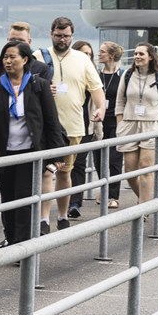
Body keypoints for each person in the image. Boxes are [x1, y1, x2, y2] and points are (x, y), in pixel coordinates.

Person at [0, 41, 65, 245]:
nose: (7, 61)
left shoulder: (38, 85)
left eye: (12, 57)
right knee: (8, 200)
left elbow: (51, 121)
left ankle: (22, 245)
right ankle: (12, 238)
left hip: (29, 153)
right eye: (5, 57)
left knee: (24, 199)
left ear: (24, 60)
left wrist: (57, 154)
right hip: (3, 153)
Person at [34, 17, 105, 232]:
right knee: (47, 172)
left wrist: (100, 108)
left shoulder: (83, 59)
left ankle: (63, 215)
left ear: (71, 35)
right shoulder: (38, 56)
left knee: (65, 172)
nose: (62, 39)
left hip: (73, 125)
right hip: (45, 126)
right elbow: (25, 86)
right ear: (51, 34)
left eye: (66, 36)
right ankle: (43, 219)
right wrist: (42, 88)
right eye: (58, 35)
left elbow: (96, 88)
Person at [116, 43, 158, 204]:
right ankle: (145, 199)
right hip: (130, 125)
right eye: (136, 53)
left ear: (150, 57)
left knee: (146, 167)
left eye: (141, 54)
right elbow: (119, 103)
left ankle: (143, 208)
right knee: (129, 171)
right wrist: (120, 124)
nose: (137, 56)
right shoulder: (127, 75)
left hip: (152, 125)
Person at [0, 22, 48, 107]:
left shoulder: (41, 68)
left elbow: (44, 101)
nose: (16, 44)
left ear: (29, 42)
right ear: (7, 41)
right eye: (12, 40)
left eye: (21, 41)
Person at [94, 41, 125, 207]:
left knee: (114, 158)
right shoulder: (96, 75)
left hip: (115, 121)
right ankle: (104, 188)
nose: (99, 54)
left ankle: (113, 196)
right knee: (98, 159)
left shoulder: (122, 76)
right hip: (98, 122)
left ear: (111, 55)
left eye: (102, 51)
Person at [68, 40, 96, 218]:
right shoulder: (68, 72)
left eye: (90, 55)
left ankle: (75, 203)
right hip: (67, 124)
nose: (87, 57)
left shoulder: (93, 74)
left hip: (85, 125)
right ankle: (63, 198)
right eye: (84, 53)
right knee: (64, 165)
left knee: (78, 164)